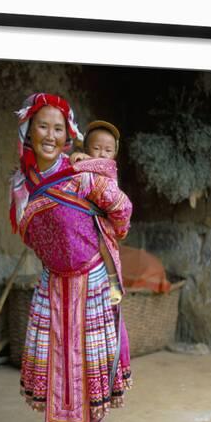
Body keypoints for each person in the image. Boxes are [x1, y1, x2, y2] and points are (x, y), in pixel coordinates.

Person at [10, 93, 132, 422]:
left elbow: (122, 210)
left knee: (92, 359)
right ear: (28, 132)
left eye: (58, 128)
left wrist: (102, 237)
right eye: (42, 126)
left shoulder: (83, 174)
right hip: (52, 284)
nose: (50, 134)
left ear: (68, 135)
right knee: (53, 360)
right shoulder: (21, 184)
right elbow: (26, 233)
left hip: (92, 281)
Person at [70, 120, 123, 305]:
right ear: (86, 148)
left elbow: (94, 167)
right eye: (97, 148)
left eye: (108, 150)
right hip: (82, 216)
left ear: (114, 154)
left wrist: (81, 159)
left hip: (101, 219)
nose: (102, 154)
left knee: (105, 247)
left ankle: (113, 284)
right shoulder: (83, 164)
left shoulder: (109, 168)